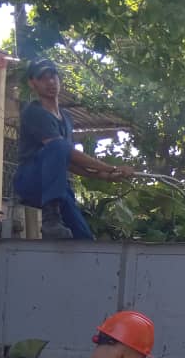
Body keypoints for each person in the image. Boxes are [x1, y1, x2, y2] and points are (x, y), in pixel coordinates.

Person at [13, 58, 135, 240]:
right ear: (33, 84)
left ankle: (59, 225)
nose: (51, 82)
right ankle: (50, 221)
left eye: (53, 76)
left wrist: (104, 177)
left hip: (56, 186)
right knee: (59, 145)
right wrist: (111, 169)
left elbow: (67, 160)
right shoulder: (34, 112)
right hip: (30, 179)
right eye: (43, 78)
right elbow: (62, 149)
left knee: (84, 238)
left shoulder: (67, 119)